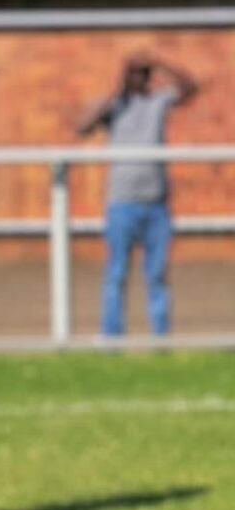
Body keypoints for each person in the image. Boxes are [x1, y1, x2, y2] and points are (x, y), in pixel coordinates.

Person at [76, 53, 198, 336]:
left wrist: (160, 63)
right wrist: (117, 92)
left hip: (156, 204)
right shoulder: (113, 105)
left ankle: (160, 337)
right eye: (134, 73)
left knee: (156, 275)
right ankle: (112, 338)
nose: (138, 78)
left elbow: (190, 88)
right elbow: (82, 127)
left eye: (143, 73)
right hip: (121, 203)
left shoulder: (157, 101)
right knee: (116, 274)